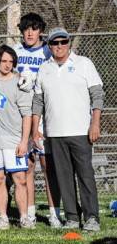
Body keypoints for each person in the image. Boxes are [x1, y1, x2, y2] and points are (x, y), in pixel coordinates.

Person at [32, 27, 103, 232]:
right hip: (54, 133)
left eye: (63, 42)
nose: (59, 46)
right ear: (49, 46)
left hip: (81, 131)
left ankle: (92, 218)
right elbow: (38, 101)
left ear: (69, 43)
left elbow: (97, 95)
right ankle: (72, 216)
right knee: (63, 177)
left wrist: (95, 123)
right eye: (55, 43)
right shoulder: (44, 68)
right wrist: (35, 128)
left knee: (85, 176)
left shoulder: (84, 64)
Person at [14, 12, 61, 227]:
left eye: (33, 28)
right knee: (27, 166)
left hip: (43, 115)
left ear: (40, 30)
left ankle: (54, 212)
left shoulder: (47, 51)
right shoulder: (15, 51)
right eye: (26, 28)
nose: (30, 32)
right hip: (22, 115)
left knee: (47, 165)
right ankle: (30, 212)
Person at [0, 45, 33, 229]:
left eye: (11, 62)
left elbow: (27, 115)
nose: (7, 65)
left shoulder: (20, 83)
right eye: (4, 61)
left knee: (20, 179)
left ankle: (24, 217)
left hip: (13, 140)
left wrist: (24, 141)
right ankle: (3, 217)